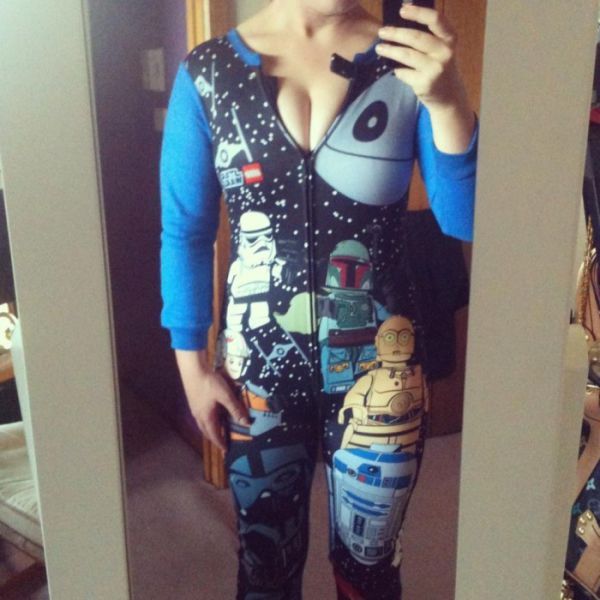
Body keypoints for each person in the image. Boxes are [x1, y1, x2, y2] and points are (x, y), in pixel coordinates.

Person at [160, 1, 478, 598]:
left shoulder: (405, 59)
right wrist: (191, 367)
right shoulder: (207, 72)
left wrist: (447, 99)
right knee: (265, 568)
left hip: (383, 374)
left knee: (369, 571)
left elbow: (465, 218)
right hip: (258, 375)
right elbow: (186, 230)